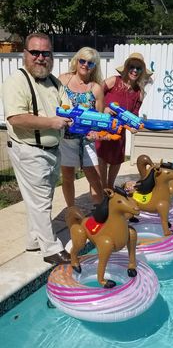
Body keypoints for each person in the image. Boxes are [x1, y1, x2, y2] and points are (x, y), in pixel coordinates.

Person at [2, 32, 72, 265]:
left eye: (46, 53)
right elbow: (15, 118)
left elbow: (68, 110)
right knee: (41, 200)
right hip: (29, 149)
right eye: (35, 52)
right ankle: (50, 249)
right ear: (25, 54)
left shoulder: (55, 82)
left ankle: (33, 240)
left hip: (52, 150)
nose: (41, 57)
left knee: (42, 198)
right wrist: (52, 122)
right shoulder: (17, 81)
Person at [96, 52, 153, 189]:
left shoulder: (139, 92)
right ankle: (103, 188)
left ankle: (110, 188)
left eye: (138, 68)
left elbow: (134, 114)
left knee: (116, 161)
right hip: (104, 126)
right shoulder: (113, 81)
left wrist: (133, 126)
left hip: (120, 130)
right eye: (132, 66)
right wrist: (103, 108)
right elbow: (94, 94)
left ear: (141, 72)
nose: (134, 70)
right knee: (102, 160)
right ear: (127, 67)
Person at [58, 47, 104, 207]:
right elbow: (53, 106)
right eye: (82, 60)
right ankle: (72, 211)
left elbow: (100, 118)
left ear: (94, 66)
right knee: (68, 177)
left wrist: (95, 132)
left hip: (87, 141)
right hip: (66, 139)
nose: (85, 65)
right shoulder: (63, 80)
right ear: (76, 61)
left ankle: (100, 213)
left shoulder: (96, 88)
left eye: (90, 63)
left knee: (95, 178)